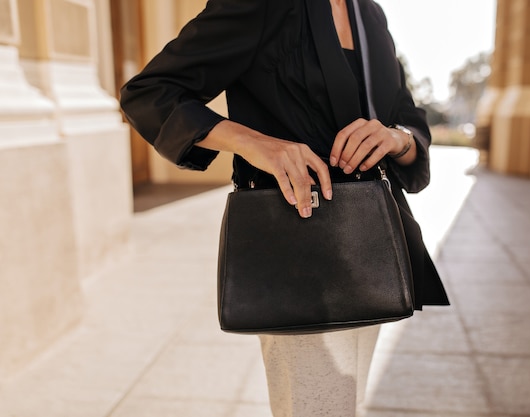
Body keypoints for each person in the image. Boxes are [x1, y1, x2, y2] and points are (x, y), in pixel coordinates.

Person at [120, 0, 449, 415]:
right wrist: (254, 143)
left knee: (345, 402)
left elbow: (406, 113)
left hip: (374, 246)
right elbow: (149, 92)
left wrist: (397, 138)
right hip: (300, 247)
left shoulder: (370, 13)